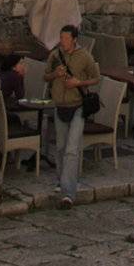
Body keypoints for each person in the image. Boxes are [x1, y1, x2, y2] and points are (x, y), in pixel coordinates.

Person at [45, 25, 100, 208]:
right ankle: (61, 180)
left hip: (77, 106)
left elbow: (95, 77)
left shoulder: (84, 56)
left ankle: (68, 193)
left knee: (71, 149)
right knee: (60, 147)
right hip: (60, 106)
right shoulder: (54, 56)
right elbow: (45, 76)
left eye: (66, 38)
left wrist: (79, 82)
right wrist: (55, 74)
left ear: (74, 39)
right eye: (61, 38)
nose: (63, 41)